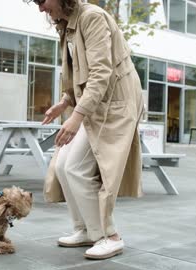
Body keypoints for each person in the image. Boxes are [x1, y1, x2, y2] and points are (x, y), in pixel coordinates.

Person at [26, 0, 144, 260]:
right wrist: (65, 102)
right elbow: (77, 72)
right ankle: (86, 230)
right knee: (61, 166)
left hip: (114, 103)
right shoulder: (67, 24)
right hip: (96, 103)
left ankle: (109, 236)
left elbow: (101, 72)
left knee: (75, 167)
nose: (41, 9)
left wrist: (76, 117)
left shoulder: (92, 17)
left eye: (42, 1)